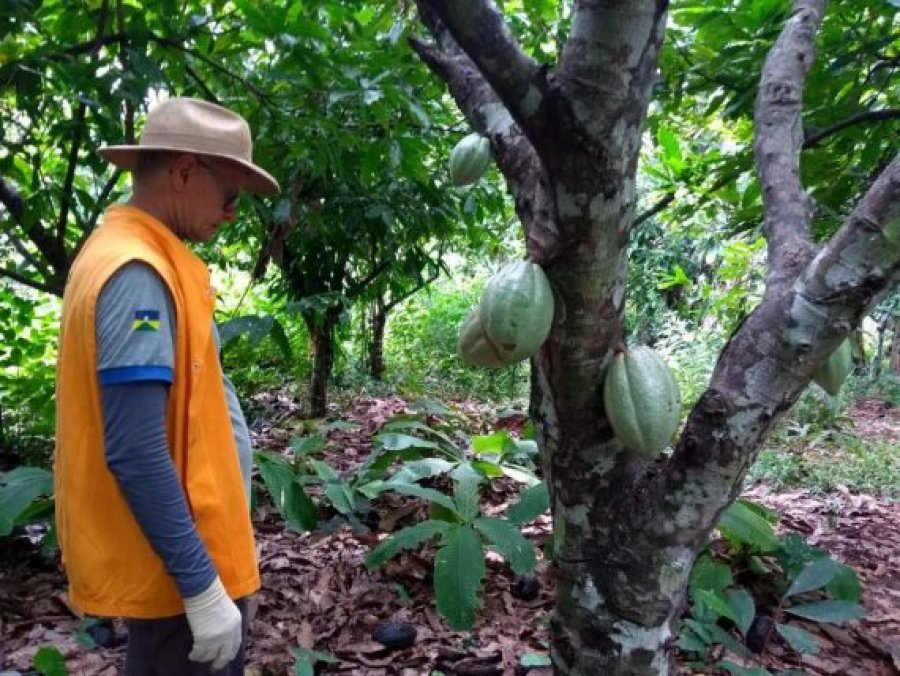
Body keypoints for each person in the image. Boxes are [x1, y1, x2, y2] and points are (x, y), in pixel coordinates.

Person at [54, 97, 279, 674]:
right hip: (177, 578)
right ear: (183, 172)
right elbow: (136, 449)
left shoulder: (144, 258)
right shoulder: (137, 275)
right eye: (229, 196)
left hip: (184, 564)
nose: (231, 214)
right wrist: (202, 588)